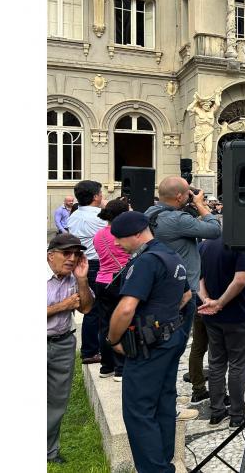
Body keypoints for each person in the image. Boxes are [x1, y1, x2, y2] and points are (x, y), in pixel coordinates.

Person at [106, 212, 192, 473]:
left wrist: (112, 339)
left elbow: (126, 309)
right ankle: (164, 463)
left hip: (149, 346)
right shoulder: (171, 255)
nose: (117, 243)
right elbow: (187, 295)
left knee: (138, 410)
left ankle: (154, 469)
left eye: (119, 238)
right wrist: (164, 318)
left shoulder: (145, 261)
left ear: (136, 234)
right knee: (164, 403)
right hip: (170, 338)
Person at [145, 176, 222, 405]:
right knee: (174, 346)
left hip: (160, 289)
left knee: (162, 346)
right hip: (183, 293)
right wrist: (199, 204)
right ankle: (167, 403)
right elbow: (214, 229)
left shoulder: (150, 213)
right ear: (180, 196)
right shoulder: (178, 220)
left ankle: (161, 397)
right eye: (188, 192)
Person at [196, 235, 245, 427]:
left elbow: (197, 277)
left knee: (216, 363)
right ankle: (237, 414)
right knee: (237, 365)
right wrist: (219, 303)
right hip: (237, 315)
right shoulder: (240, 243)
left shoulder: (204, 245)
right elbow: (240, 280)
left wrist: (206, 300)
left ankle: (217, 411)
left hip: (212, 315)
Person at [47, 233, 95, 464]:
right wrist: (62, 306)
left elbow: (86, 308)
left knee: (57, 401)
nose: (72, 258)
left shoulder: (74, 278)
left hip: (63, 344)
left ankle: (49, 452)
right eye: (66, 253)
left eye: (76, 254)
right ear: (50, 256)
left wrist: (83, 280)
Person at [68, 180, 107, 364]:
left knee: (90, 308)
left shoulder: (74, 215)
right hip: (97, 264)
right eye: (100, 193)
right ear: (95, 196)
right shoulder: (99, 217)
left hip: (82, 263)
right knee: (96, 309)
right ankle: (90, 351)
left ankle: (91, 349)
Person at [93, 198, 132, 380]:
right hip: (120, 280)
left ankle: (106, 366)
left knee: (105, 325)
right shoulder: (124, 234)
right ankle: (120, 368)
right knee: (122, 323)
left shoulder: (98, 235)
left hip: (101, 281)